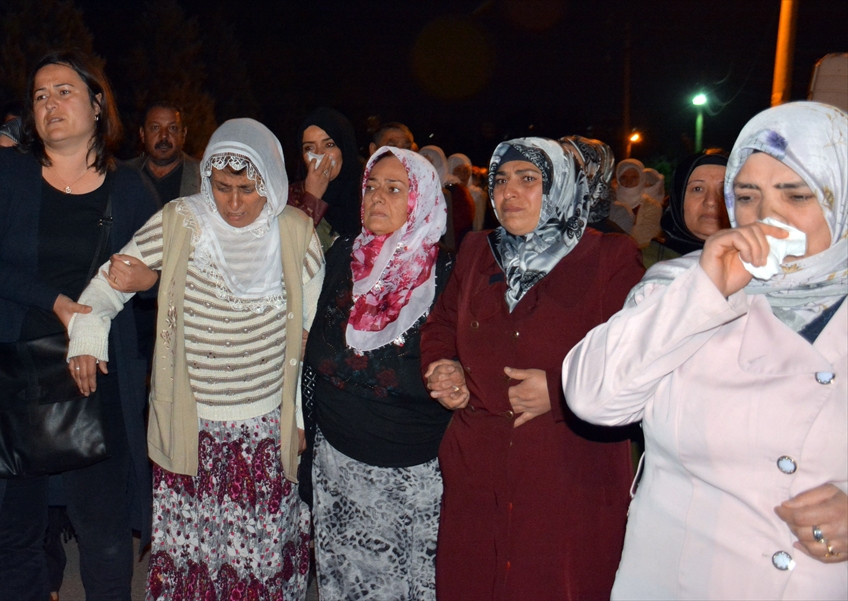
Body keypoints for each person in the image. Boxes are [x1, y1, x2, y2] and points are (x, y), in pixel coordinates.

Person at [563, 101, 848, 600]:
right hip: (678, 580)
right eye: (748, 196)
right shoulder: (683, 285)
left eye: (798, 194)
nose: (767, 217)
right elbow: (592, 397)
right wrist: (704, 292)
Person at [66, 118, 323, 599]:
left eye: (247, 189)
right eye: (222, 187)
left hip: (264, 431)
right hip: (192, 425)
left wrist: (302, 417)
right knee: (193, 559)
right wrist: (87, 336)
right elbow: (110, 281)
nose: (233, 203)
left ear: (269, 182)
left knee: (256, 561)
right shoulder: (181, 221)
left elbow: (313, 338)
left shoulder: (295, 233)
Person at [0, 50, 158, 601]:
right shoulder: (7, 173)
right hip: (17, 373)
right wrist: (57, 302)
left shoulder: (129, 188)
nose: (50, 104)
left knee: (103, 529)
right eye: (40, 96)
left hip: (96, 375)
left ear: (98, 104)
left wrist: (148, 280)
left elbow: (164, 271)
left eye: (64, 91)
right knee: (16, 528)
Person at [421, 136, 644, 600]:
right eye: (501, 180)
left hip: (566, 473)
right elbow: (441, 323)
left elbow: (637, 361)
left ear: (561, 185)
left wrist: (563, 391)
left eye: (528, 179)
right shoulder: (477, 250)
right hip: (478, 469)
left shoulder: (609, 258)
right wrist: (444, 365)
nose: (509, 193)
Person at [303, 147, 453, 599]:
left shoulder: (445, 275)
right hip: (334, 463)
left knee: (396, 585)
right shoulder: (343, 255)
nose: (377, 198)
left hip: (405, 472)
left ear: (421, 198)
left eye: (394, 188)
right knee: (340, 579)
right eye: (371, 186)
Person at [287, 107, 364, 247]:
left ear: (344, 148)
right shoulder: (289, 198)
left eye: (329, 145)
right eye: (309, 148)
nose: (319, 155)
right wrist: (312, 198)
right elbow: (290, 248)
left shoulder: (367, 192)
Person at [658, 152, 730, 256]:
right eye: (698, 189)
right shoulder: (643, 261)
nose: (711, 201)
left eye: (723, 190)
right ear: (678, 200)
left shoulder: (753, 263)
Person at [130, 101, 200, 202]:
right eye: (155, 128)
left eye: (172, 128)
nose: (164, 136)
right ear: (142, 134)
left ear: (183, 134)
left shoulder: (203, 177)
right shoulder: (122, 175)